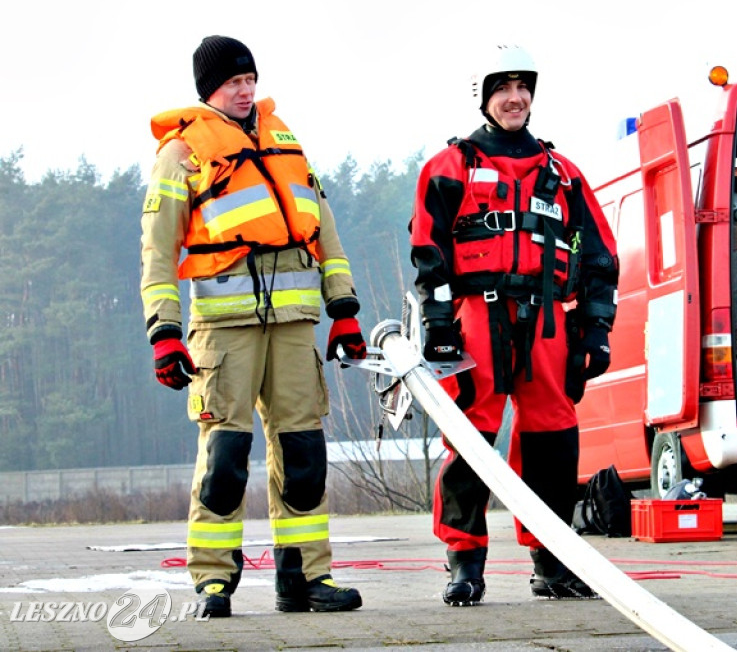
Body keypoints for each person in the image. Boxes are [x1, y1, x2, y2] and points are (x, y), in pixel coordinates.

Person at [140, 35, 367, 618]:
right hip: (223, 332)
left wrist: (344, 310)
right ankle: (213, 581)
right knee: (225, 457)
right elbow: (157, 252)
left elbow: (325, 231)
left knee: (304, 452)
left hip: (294, 325)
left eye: (250, 80)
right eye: (233, 82)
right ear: (208, 89)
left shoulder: (285, 143)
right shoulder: (181, 154)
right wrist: (164, 332)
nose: (246, 90)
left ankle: (307, 578)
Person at [409, 44, 619, 606]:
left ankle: (553, 562)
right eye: (502, 88)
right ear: (483, 97)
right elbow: (429, 252)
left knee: (552, 437)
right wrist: (438, 324)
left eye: (523, 86)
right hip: (477, 315)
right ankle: (464, 562)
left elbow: (599, 259)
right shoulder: (449, 168)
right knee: (471, 435)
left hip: (550, 319)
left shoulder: (564, 174)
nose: (515, 98)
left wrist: (596, 332)